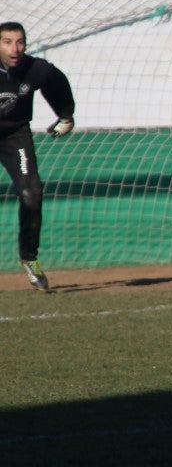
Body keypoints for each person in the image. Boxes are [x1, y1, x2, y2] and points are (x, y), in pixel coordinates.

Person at [0, 22, 75, 292]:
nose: (14, 48)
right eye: (7, 42)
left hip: (14, 136)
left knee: (32, 193)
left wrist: (66, 115)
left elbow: (56, 83)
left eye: (20, 42)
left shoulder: (34, 69)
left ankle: (29, 259)